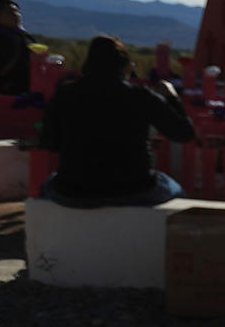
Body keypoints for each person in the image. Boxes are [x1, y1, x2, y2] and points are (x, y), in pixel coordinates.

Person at [38, 35, 196, 206]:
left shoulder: (64, 94)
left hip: (72, 189)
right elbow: (184, 133)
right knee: (178, 192)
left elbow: (49, 143)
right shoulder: (140, 96)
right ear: (125, 66)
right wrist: (172, 98)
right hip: (133, 188)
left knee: (46, 188)